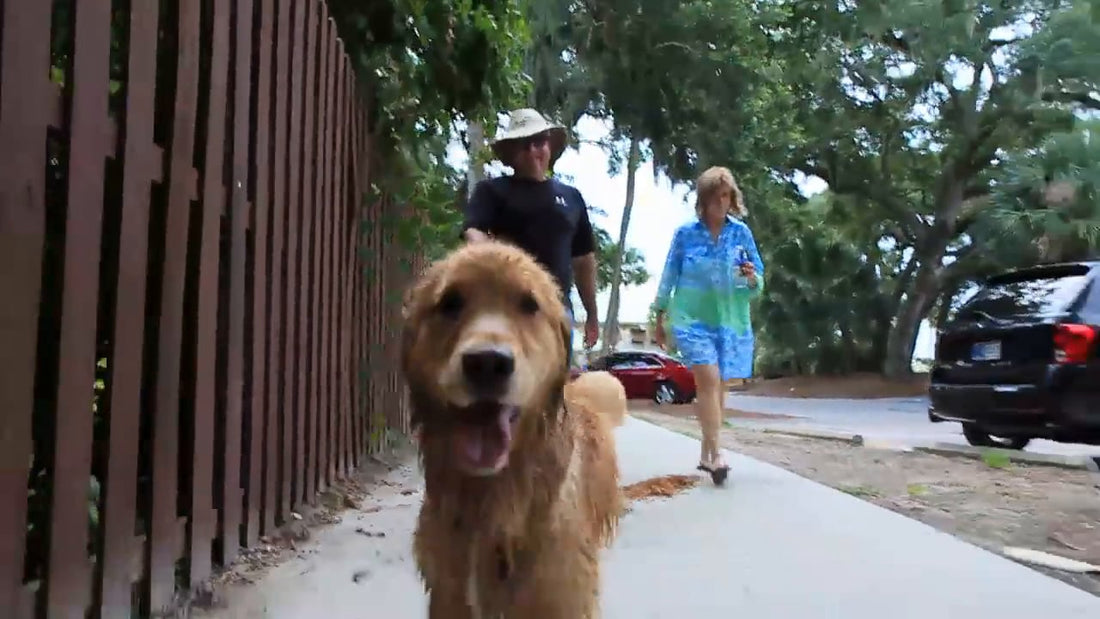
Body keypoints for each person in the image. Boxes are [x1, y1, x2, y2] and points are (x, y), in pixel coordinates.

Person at [653, 166, 764, 485]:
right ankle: (718, 456)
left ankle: (705, 453)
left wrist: (750, 277)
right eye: (714, 197)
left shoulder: (740, 233)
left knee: (717, 387)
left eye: (725, 196)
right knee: (708, 380)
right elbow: (669, 275)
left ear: (732, 199)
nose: (720, 203)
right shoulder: (685, 234)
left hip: (728, 320)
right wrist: (660, 316)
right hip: (691, 320)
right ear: (703, 201)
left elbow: (757, 283)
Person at [461, 108, 601, 359]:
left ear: (549, 146)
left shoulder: (571, 197)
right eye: (524, 145)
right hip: (507, 310)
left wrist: (592, 314)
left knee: (555, 391)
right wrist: (492, 257)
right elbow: (474, 232)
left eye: (539, 142)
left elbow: (583, 261)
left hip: (557, 312)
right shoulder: (492, 191)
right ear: (511, 152)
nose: (533, 151)